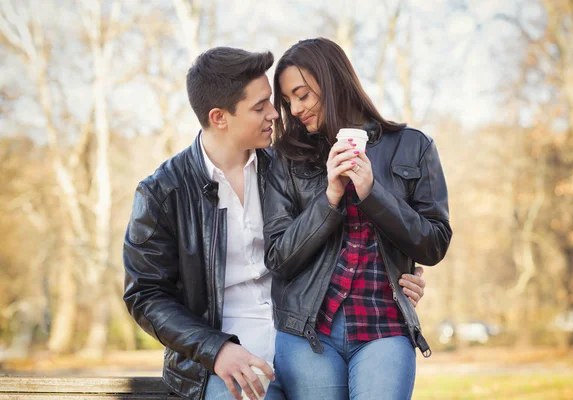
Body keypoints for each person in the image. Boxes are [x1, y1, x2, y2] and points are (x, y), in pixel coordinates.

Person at [123, 46, 428, 400]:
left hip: (307, 343)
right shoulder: (163, 192)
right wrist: (216, 350)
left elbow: (349, 236)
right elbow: (145, 294)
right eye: (260, 107)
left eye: (272, 101)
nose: (276, 114)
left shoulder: (293, 164)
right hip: (229, 364)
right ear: (220, 117)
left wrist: (402, 276)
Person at [263, 37, 452, 400]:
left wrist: (372, 193)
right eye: (288, 101)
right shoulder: (287, 158)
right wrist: (330, 197)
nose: (296, 109)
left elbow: (434, 243)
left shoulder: (413, 146)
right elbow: (278, 258)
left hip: (384, 324)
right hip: (308, 332)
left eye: (302, 94)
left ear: (331, 80)